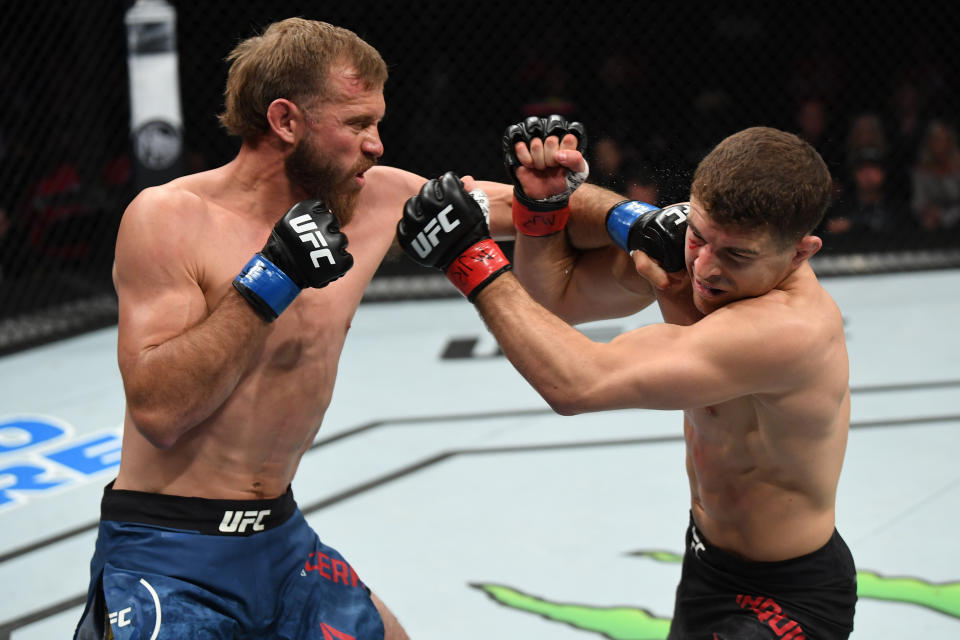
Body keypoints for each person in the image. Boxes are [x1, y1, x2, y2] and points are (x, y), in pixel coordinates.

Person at [74, 18, 513, 640]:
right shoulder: (169, 217)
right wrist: (269, 280)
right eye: (357, 124)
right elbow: (161, 411)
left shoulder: (377, 198)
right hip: (168, 549)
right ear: (285, 121)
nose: (377, 144)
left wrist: (611, 211)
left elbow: (529, 211)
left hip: (280, 540)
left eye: (376, 123)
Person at [397, 119, 857, 638]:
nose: (705, 267)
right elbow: (555, 302)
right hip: (706, 565)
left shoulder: (789, 331)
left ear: (801, 252)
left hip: (787, 603)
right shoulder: (696, 250)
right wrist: (544, 207)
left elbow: (578, 384)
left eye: (736, 256)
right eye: (699, 237)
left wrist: (471, 260)